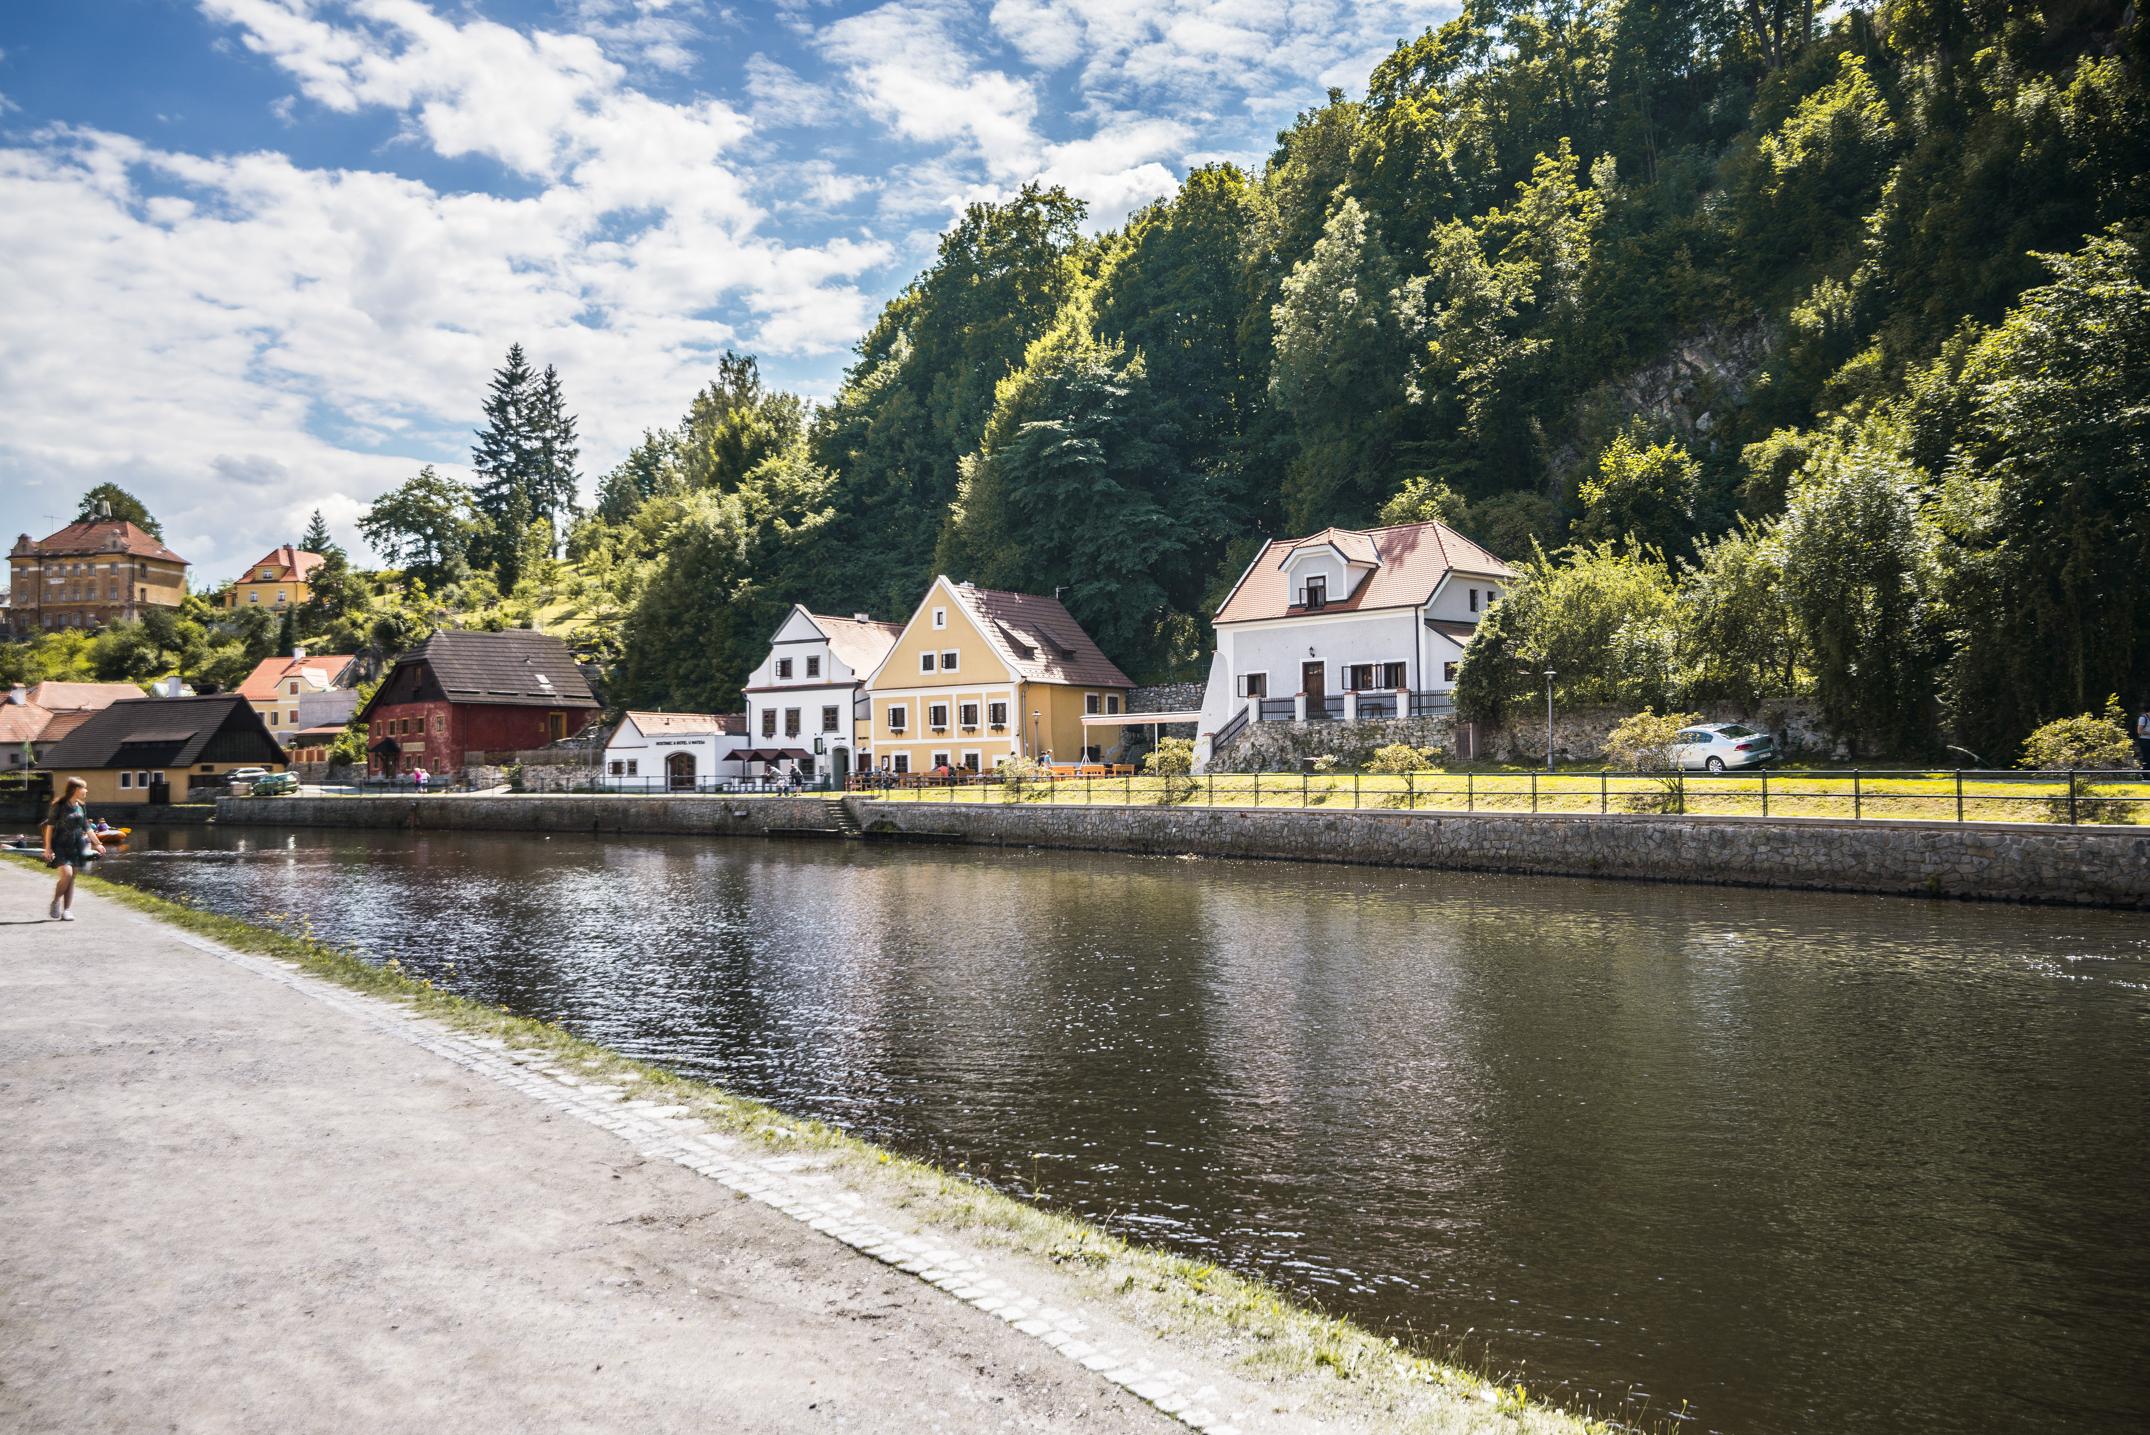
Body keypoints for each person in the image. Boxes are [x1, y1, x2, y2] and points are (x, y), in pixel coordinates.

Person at [40, 776, 105, 923]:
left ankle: (67, 910)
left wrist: (98, 843)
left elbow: (87, 828)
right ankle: (56, 901)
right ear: (75, 789)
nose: (86, 790)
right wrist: (48, 848)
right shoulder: (59, 806)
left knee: (72, 878)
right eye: (84, 788)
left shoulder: (81, 806)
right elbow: (49, 827)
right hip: (60, 845)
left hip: (76, 845)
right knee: (67, 875)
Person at [2137, 702, 2150, 772]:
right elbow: (2139, 731)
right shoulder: (2143, 718)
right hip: (2145, 741)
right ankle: (2145, 776)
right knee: (2147, 759)